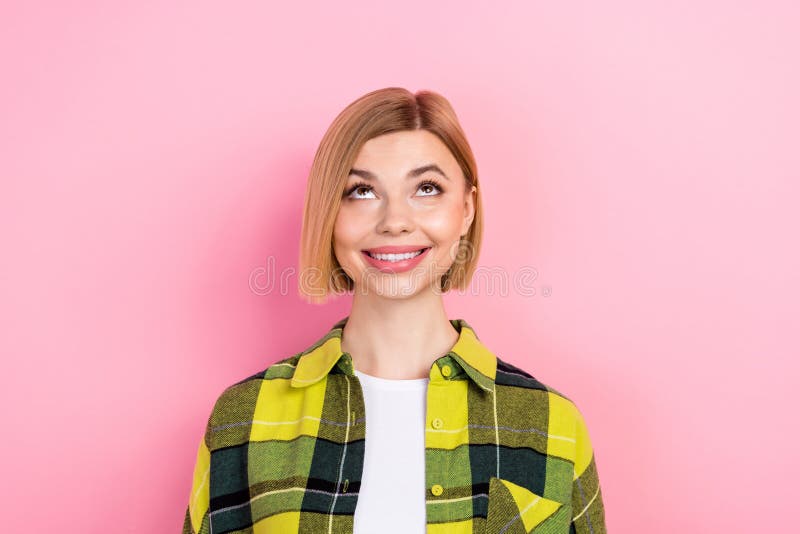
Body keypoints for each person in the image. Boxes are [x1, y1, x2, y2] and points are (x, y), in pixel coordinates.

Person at [182, 87, 607, 534]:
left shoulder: (551, 422)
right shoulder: (243, 420)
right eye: (361, 191)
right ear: (330, 214)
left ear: (465, 209)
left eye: (426, 188)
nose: (395, 221)